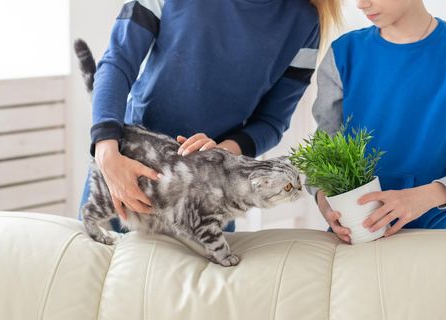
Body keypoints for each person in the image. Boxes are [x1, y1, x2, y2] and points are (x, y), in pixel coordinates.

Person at [79, 0, 342, 231]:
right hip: (128, 167)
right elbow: (117, 61)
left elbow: (272, 122)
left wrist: (221, 153)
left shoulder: (305, 23)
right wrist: (106, 151)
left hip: (208, 192)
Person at [312, 0, 446, 242]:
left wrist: (428, 196)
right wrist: (324, 200)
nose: (361, 4)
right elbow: (322, 154)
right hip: (352, 243)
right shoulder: (343, 53)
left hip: (427, 242)